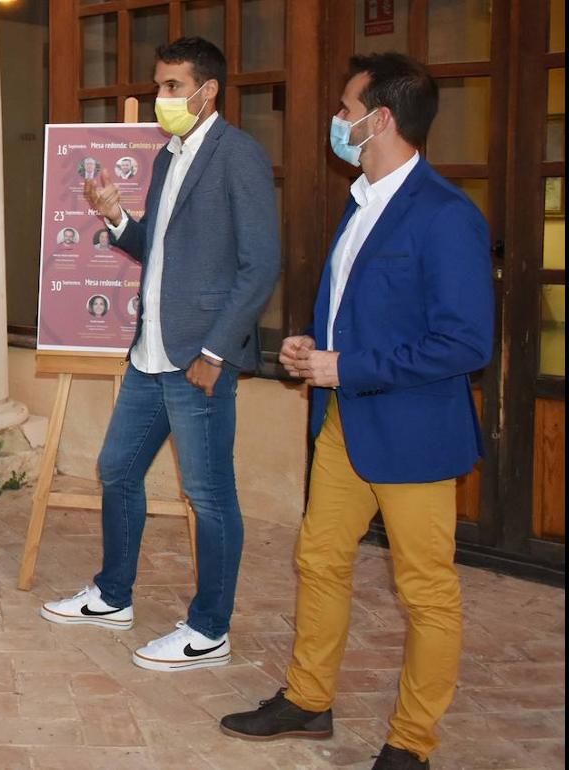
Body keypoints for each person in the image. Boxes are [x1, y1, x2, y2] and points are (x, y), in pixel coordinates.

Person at [220, 53, 493, 770]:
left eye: (345, 109)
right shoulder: (362, 200)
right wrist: (314, 345)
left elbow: (466, 343)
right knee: (318, 560)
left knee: (425, 590)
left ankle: (411, 742)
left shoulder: (446, 215)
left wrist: (349, 366)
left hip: (412, 433)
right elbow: (361, 309)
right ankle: (308, 699)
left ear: (381, 119)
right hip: (344, 423)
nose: (336, 121)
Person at [40, 37, 280, 674]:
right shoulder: (168, 157)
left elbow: (259, 266)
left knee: (209, 496)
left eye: (172, 86)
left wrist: (215, 352)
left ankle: (209, 630)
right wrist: (117, 218)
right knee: (117, 469)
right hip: (149, 353)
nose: (160, 98)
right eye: (159, 86)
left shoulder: (238, 155)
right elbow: (164, 251)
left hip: (198, 359)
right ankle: (112, 596)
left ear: (208, 91)